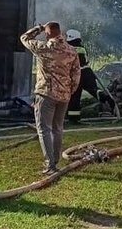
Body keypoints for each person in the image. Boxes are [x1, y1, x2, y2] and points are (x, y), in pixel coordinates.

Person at [20, 21, 80, 174]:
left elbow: (24, 38)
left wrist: (37, 28)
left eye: (45, 32)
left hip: (46, 94)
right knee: (57, 128)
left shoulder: (43, 48)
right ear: (60, 32)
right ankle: (55, 160)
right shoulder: (71, 50)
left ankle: (50, 164)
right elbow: (76, 74)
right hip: (64, 96)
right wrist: (69, 91)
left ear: (47, 33)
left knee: (44, 129)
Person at [65, 28, 116, 123]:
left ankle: (73, 119)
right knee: (94, 89)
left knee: (74, 96)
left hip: (77, 74)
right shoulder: (82, 48)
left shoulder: (69, 49)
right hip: (87, 72)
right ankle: (106, 99)